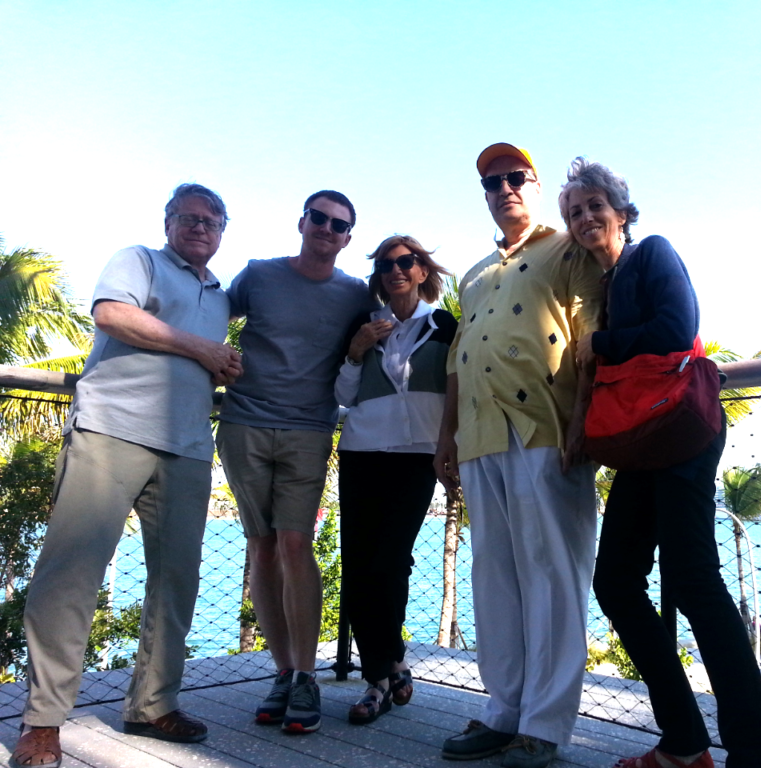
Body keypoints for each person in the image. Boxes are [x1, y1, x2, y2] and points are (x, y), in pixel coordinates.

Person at [564, 157, 761, 768]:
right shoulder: (606, 286)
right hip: (643, 439)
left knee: (694, 582)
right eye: (575, 212)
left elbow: (677, 327)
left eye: (594, 207)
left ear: (621, 211)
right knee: (615, 579)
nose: (587, 218)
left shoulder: (653, 253)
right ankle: (685, 742)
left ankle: (758, 756)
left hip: (682, 432)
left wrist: (602, 342)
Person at [14, 184, 240, 768]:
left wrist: (223, 362)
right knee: (70, 576)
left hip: (188, 447)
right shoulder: (138, 260)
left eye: (213, 222)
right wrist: (204, 352)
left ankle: (152, 704)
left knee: (177, 582)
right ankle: (43, 721)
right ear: (168, 222)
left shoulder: (220, 297)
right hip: (110, 432)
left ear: (223, 233)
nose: (200, 229)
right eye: (189, 218)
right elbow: (112, 315)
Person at [435, 144, 604, 768]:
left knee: (553, 578)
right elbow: (457, 361)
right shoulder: (474, 274)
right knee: (495, 577)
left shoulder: (567, 248)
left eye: (515, 177)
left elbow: (590, 340)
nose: (503, 187)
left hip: (546, 429)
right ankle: (502, 710)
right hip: (480, 435)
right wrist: (445, 436)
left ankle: (545, 723)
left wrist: (582, 424)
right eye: (491, 181)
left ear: (534, 186)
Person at [216, 190, 377, 734]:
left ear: (348, 238)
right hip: (243, 424)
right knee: (260, 544)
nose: (328, 229)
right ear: (302, 222)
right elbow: (212, 309)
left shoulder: (355, 293)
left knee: (294, 543)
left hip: (310, 429)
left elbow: (397, 321)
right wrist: (206, 357)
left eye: (340, 225)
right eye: (320, 218)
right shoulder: (258, 275)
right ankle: (283, 672)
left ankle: (307, 673)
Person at [333, 235, 456, 725]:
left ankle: (390, 663)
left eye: (407, 262)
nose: (396, 270)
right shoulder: (363, 325)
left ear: (423, 271)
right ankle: (380, 677)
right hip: (362, 451)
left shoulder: (445, 325)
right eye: (386, 264)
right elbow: (344, 395)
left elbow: (459, 390)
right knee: (359, 567)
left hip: (417, 456)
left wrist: (454, 447)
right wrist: (356, 351)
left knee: (390, 561)